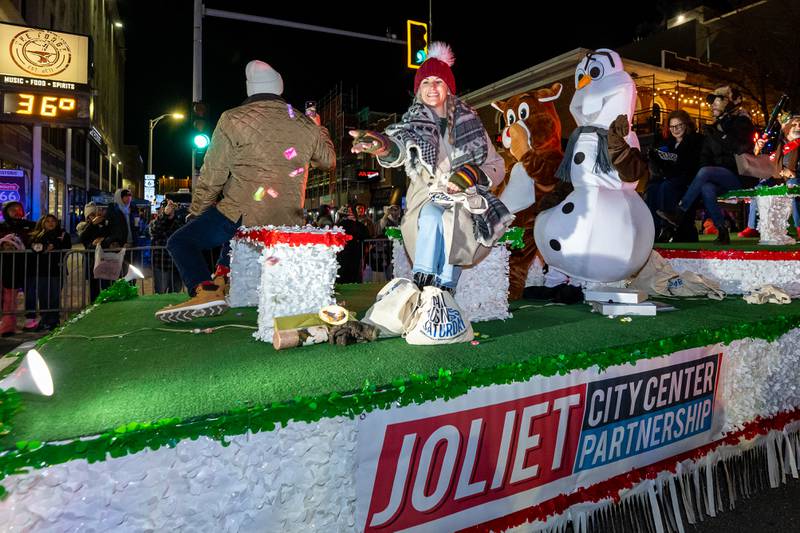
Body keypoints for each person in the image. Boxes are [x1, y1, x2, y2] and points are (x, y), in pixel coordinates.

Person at [156, 59, 336, 322]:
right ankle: (222, 279)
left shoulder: (232, 118)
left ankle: (206, 291)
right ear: (279, 87)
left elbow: (213, 174)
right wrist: (318, 128)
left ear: (250, 88)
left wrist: (196, 212)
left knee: (181, 241)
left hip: (242, 212)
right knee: (233, 237)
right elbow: (328, 161)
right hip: (289, 217)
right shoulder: (305, 124)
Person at [350, 42, 507, 294]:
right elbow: (400, 146)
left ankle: (444, 291)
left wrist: (472, 174)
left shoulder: (472, 123)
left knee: (453, 220)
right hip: (426, 197)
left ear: (448, 87)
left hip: (463, 198)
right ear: (418, 90)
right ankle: (424, 283)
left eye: (438, 81)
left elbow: (496, 165)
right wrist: (382, 146)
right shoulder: (412, 123)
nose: (432, 87)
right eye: (425, 82)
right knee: (432, 215)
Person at [658, 86, 756, 245]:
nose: (713, 106)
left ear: (729, 104)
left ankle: (679, 212)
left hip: (740, 175)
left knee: (706, 171)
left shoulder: (741, 121)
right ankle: (722, 231)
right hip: (718, 178)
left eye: (718, 102)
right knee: (706, 187)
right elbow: (705, 158)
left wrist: (720, 134)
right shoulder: (712, 129)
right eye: (712, 103)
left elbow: (741, 147)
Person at [646, 109, 703, 242]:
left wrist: (672, 163)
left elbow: (691, 165)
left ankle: (668, 228)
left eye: (678, 125)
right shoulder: (667, 143)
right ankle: (654, 230)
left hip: (688, 180)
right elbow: (662, 165)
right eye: (672, 126)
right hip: (668, 177)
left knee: (666, 187)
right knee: (653, 188)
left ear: (686, 125)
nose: (675, 129)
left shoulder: (696, 140)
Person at [27, 214, 71, 330]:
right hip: (41, 270)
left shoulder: (62, 234)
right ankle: (45, 319)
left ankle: (53, 320)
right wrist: (44, 247)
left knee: (54, 296)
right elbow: (34, 247)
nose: (50, 223)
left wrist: (54, 245)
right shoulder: (37, 235)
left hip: (57, 269)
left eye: (53, 221)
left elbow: (67, 247)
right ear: (42, 223)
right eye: (47, 221)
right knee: (43, 296)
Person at [0, 201, 36, 330]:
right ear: (6, 212)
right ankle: (7, 321)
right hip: (7, 265)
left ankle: (30, 318)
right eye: (12, 210)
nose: (16, 212)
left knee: (30, 291)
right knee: (8, 294)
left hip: (27, 263)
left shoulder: (30, 225)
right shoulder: (2, 227)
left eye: (18, 209)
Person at [76, 202, 113, 303]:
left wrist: (103, 240)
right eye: (92, 215)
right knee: (94, 287)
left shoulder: (104, 224)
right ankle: (94, 305)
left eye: (96, 214)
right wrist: (92, 225)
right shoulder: (84, 226)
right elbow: (82, 239)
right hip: (91, 261)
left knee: (106, 285)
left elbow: (109, 236)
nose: (95, 216)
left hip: (104, 259)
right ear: (87, 216)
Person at [149, 198, 187, 294]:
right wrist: (165, 215)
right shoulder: (155, 222)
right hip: (162, 264)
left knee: (176, 292)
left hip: (177, 265)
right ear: (162, 209)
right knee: (160, 292)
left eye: (171, 207)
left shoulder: (179, 222)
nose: (169, 209)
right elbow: (155, 230)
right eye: (166, 207)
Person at [335, 205, 369, 283]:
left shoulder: (339, 225)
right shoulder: (358, 225)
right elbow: (365, 235)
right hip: (355, 252)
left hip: (343, 252)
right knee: (354, 273)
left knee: (342, 273)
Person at [0, 233, 26, 336]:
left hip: (11, 283)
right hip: (4, 283)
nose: (9, 247)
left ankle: (8, 328)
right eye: (7, 245)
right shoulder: (2, 256)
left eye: (12, 245)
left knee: (9, 305)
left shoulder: (18, 258)